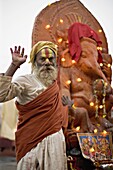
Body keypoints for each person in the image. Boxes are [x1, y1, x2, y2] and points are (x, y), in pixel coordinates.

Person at [0, 41, 68, 170]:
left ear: (55, 62)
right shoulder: (25, 81)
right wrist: (14, 65)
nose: (47, 62)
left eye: (50, 58)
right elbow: (1, 95)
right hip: (30, 141)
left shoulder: (54, 85)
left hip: (55, 140)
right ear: (35, 61)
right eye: (42, 59)